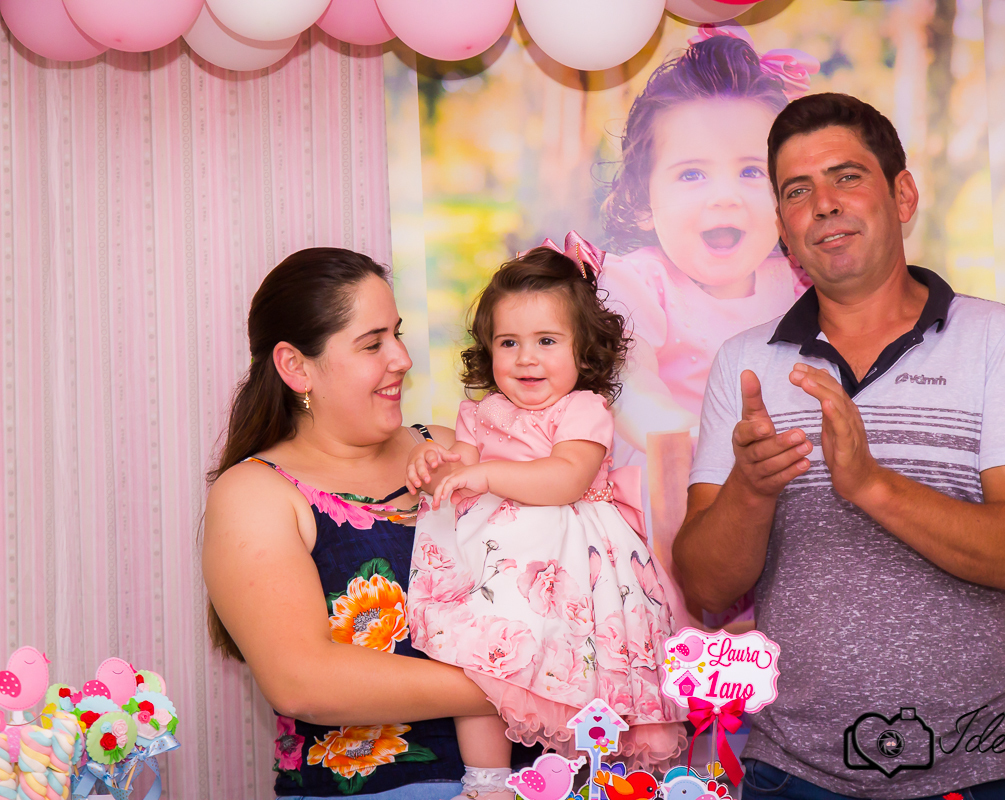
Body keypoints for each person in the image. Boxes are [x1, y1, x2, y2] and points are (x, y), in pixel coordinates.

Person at [673, 94, 1005, 800]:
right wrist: (751, 490)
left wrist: (872, 485)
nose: (824, 204)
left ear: (902, 194)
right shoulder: (745, 363)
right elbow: (705, 587)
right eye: (798, 191)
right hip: (788, 774)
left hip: (973, 774)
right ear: (783, 230)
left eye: (847, 177)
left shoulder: (996, 340)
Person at [203, 249, 527, 800]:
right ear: (296, 366)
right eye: (372, 343)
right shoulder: (256, 493)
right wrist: (529, 685)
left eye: (396, 334)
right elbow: (302, 681)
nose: (402, 358)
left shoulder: (448, 449)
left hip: (539, 779)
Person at [403, 235, 686, 796]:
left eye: (547, 341)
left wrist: (487, 475)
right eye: (508, 342)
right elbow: (462, 469)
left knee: (580, 676)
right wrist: (435, 462)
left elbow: (565, 479)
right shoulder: (480, 412)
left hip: (577, 567)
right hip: (500, 566)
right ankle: (485, 779)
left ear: (584, 353)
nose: (525, 357)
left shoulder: (584, 408)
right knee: (482, 661)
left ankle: (593, 779)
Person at [598, 25, 817, 624]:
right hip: (673, 499)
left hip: (783, 488)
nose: (725, 197)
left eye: (751, 172)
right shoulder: (638, 283)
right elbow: (629, 388)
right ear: (644, 200)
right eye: (692, 174)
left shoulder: (797, 287)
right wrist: (714, 448)